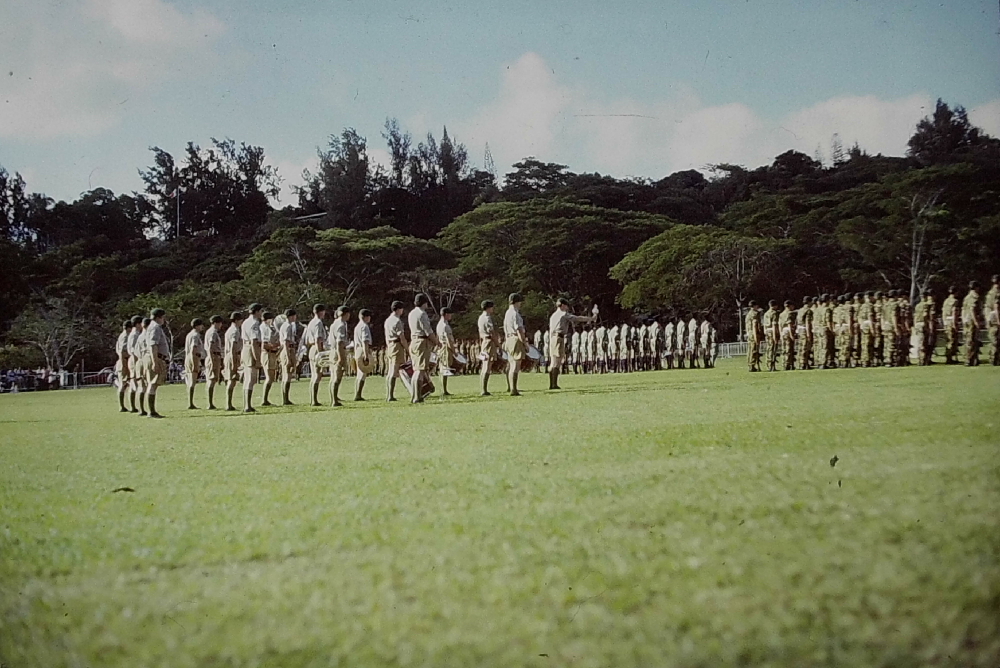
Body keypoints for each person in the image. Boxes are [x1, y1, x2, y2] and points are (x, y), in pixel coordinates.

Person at [547, 298, 597, 390]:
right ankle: (553, 384)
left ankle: (552, 383)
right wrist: (591, 318)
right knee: (556, 361)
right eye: (566, 305)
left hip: (553, 338)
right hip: (559, 338)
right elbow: (577, 318)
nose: (567, 307)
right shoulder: (563, 314)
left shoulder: (553, 316)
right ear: (562, 305)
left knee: (554, 360)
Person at [408, 294, 438, 403]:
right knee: (420, 370)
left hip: (414, 341)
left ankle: (414, 395)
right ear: (424, 303)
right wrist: (436, 342)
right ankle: (417, 396)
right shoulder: (422, 314)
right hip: (422, 342)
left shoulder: (411, 313)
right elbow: (428, 330)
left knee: (417, 369)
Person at [143, 308, 170, 418]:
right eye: (163, 317)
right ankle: (152, 411)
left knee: (153, 384)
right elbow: (153, 345)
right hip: (156, 358)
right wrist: (155, 362)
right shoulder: (155, 327)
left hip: (156, 357)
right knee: (153, 384)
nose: (164, 320)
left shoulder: (151, 327)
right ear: (159, 317)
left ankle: (152, 410)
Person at [503, 293, 528, 396]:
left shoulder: (507, 313)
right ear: (517, 302)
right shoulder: (515, 314)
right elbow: (519, 330)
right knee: (516, 365)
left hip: (508, 338)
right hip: (515, 339)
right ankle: (514, 389)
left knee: (511, 363)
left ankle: (511, 387)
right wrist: (525, 343)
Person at [240, 303, 264, 413]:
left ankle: (247, 404)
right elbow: (254, 341)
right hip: (251, 348)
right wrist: (258, 359)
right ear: (257, 311)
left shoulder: (245, 322)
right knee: (251, 378)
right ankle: (247, 405)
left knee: (248, 378)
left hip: (245, 347)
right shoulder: (254, 323)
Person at [384, 301, 409, 401]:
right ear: (399, 309)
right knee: (394, 371)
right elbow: (401, 337)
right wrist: (407, 349)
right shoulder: (397, 321)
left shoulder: (387, 320)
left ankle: (389, 393)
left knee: (391, 369)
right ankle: (390, 395)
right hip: (397, 345)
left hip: (390, 345)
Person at [327, 305, 351, 406]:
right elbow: (339, 342)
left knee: (333, 376)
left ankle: (333, 398)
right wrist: (341, 357)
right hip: (338, 351)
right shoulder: (341, 325)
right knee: (337, 376)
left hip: (333, 351)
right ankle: (334, 401)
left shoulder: (334, 324)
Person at [304, 304, 328, 406]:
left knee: (315, 374)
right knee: (317, 375)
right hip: (317, 348)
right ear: (321, 312)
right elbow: (318, 338)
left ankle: (313, 399)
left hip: (312, 348)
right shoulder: (318, 323)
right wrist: (321, 353)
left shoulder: (311, 323)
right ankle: (314, 400)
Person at [477, 300, 500, 396]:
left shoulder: (480, 318)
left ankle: (482, 387)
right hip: (489, 342)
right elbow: (492, 332)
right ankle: (484, 389)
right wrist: (498, 344)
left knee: (484, 365)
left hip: (483, 342)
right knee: (487, 365)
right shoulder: (487, 318)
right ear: (488, 308)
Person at [278, 309, 300, 406]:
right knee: (287, 374)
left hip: (289, 349)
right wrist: (288, 356)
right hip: (288, 350)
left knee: (287, 374)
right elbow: (286, 342)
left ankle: (286, 398)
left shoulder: (286, 326)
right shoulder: (287, 326)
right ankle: (285, 398)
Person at [223, 311, 245, 411]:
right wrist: (234, 361)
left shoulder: (231, 330)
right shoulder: (234, 331)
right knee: (231, 380)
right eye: (240, 320)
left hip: (232, 355)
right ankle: (228, 404)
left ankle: (229, 403)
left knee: (232, 380)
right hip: (233, 355)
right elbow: (233, 347)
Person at [259, 311, 281, 406]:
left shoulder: (268, 328)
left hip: (271, 353)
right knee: (269, 378)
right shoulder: (265, 328)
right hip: (268, 353)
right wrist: (277, 345)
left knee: (271, 378)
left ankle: (265, 399)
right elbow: (265, 344)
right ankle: (264, 399)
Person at [184, 318, 205, 410]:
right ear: (197, 326)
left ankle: (190, 402)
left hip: (189, 357)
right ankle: (190, 403)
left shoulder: (189, 334)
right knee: (192, 381)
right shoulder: (195, 335)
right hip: (194, 357)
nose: (202, 327)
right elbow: (193, 348)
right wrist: (195, 362)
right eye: (201, 325)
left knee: (190, 380)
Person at [204, 314, 225, 409]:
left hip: (215, 356)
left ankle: (210, 402)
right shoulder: (212, 333)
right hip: (213, 356)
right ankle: (210, 403)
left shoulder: (211, 332)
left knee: (212, 379)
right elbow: (210, 347)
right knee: (211, 379)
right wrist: (212, 360)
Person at [436, 307, 458, 396]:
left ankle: (444, 389)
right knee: (445, 368)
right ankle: (444, 390)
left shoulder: (439, 325)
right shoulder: (445, 326)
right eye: (449, 314)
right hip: (446, 348)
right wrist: (453, 350)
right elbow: (448, 340)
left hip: (441, 347)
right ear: (446, 315)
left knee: (443, 368)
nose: (451, 316)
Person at [126, 316, 145, 414]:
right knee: (137, 384)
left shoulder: (136, 334)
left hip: (135, 359)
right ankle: (138, 408)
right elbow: (134, 350)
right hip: (135, 359)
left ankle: (134, 407)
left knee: (135, 384)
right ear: (138, 324)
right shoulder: (134, 335)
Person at [962, 280, 982, 366]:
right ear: (976, 287)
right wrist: (976, 322)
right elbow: (972, 310)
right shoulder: (975, 297)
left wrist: (963, 319)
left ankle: (969, 359)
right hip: (971, 321)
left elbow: (963, 310)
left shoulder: (966, 297)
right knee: (972, 340)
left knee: (968, 340)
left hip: (966, 320)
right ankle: (970, 360)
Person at [115, 320, 132, 412]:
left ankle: (125, 405)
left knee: (125, 385)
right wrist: (124, 365)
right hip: (124, 362)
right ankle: (122, 406)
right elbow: (122, 352)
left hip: (124, 361)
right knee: (123, 384)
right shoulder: (125, 336)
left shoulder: (122, 336)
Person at [941, 287, 960, 364]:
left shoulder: (946, 301)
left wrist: (944, 322)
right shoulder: (955, 301)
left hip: (946, 321)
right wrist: (955, 324)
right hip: (952, 321)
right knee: (952, 340)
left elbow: (943, 313)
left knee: (948, 340)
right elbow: (954, 313)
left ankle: (948, 357)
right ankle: (950, 358)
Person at [985, 275, 999, 366]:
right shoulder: (997, 293)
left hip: (989, 318)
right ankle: (995, 359)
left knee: (993, 338)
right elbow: (996, 307)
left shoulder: (989, 293)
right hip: (995, 318)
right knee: (996, 340)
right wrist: (999, 320)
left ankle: (992, 358)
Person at [779, 300, 797, 371]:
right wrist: (791, 335)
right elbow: (789, 324)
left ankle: (784, 363)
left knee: (784, 349)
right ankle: (788, 364)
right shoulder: (789, 314)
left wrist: (781, 334)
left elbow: (780, 325)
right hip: (788, 331)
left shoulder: (781, 314)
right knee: (789, 348)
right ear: (790, 306)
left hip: (783, 332)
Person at [762, 300, 779, 372]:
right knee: (773, 348)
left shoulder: (766, 314)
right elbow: (774, 325)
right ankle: (772, 365)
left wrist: (765, 332)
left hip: (767, 331)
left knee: (769, 348)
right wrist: (775, 336)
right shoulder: (774, 313)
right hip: (772, 331)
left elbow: (764, 325)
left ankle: (768, 363)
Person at [796, 297, 813, 371]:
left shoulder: (800, 310)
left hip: (799, 329)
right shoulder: (808, 311)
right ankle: (804, 363)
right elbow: (807, 323)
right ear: (809, 302)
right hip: (804, 329)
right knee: (805, 347)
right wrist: (809, 334)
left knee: (801, 346)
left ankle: (800, 362)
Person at [745, 302, 763, 372]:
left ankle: (750, 364)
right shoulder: (755, 314)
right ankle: (752, 365)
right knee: (754, 349)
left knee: (750, 350)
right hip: (754, 333)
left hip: (749, 333)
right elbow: (754, 326)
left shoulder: (748, 314)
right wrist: (756, 337)